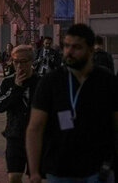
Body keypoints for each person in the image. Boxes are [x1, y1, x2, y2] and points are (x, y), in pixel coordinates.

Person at [26, 24, 118, 183]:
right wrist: (34, 171)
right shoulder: (51, 81)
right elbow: (35, 127)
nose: (69, 52)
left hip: (98, 169)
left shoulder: (106, 80)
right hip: (59, 169)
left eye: (76, 47)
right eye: (66, 46)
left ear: (90, 50)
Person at [0, 45, 40, 183]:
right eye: (15, 62)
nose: (19, 65)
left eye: (23, 61)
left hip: (37, 137)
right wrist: (16, 87)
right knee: (14, 176)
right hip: (15, 135)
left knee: (35, 177)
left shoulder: (42, 82)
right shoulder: (8, 82)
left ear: (31, 62)